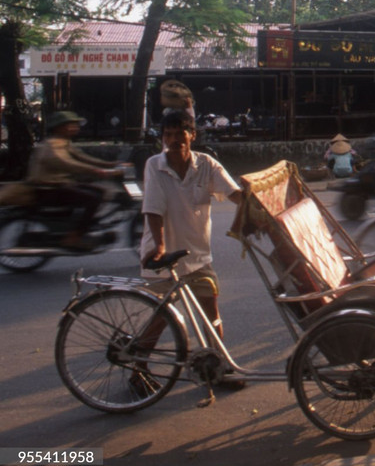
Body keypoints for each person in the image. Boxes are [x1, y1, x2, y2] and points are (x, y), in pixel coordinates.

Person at [140, 110, 243, 343]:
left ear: (192, 135)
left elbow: (235, 195)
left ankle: (220, 366)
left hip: (198, 257)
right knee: (162, 317)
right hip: (165, 254)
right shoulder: (154, 165)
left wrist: (262, 206)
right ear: (163, 138)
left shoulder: (206, 164)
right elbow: (153, 210)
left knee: (211, 315)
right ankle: (139, 366)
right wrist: (159, 246)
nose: (174, 140)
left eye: (180, 134)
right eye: (169, 135)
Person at [25, 111, 125, 250]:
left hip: (58, 185)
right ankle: (74, 237)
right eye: (71, 125)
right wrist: (94, 171)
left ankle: (80, 227)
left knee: (100, 191)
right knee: (93, 199)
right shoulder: (52, 145)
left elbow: (82, 157)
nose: (75, 128)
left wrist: (110, 164)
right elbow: (67, 163)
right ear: (59, 127)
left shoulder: (64, 142)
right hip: (49, 189)